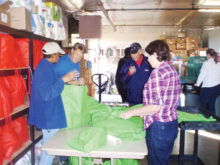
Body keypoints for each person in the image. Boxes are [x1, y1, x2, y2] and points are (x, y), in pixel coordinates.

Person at [120, 40, 181, 165]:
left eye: (148, 56)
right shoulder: (171, 70)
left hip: (159, 126)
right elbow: (165, 101)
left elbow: (155, 106)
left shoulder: (157, 73)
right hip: (171, 124)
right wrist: (144, 112)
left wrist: (131, 113)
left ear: (155, 54)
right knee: (162, 160)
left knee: (156, 162)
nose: (147, 59)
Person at [28, 42, 78, 165]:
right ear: (53, 55)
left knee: (48, 148)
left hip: (49, 114)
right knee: (48, 151)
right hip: (48, 116)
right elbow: (46, 94)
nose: (59, 57)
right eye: (58, 55)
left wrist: (67, 81)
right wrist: (63, 79)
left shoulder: (46, 66)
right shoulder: (44, 69)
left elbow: (50, 83)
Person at [195, 48, 220, 115]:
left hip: (208, 87)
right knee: (212, 105)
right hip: (217, 87)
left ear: (208, 55)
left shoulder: (206, 63)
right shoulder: (218, 63)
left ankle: (203, 121)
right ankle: (213, 121)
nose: (206, 56)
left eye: (206, 55)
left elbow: (202, 74)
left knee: (203, 106)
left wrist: (197, 84)